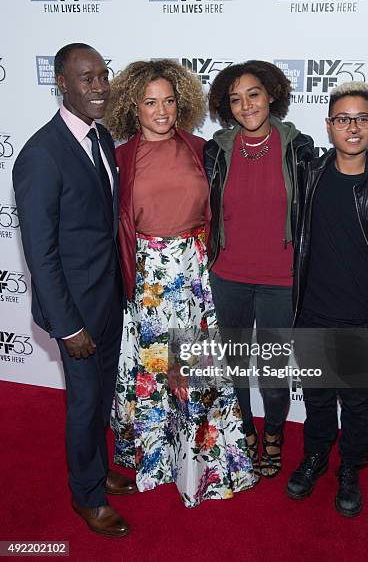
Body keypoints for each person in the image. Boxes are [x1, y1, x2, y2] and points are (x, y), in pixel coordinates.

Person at [103, 59, 256, 507]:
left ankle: (203, 461)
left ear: (181, 102)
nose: (162, 110)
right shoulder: (120, 158)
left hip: (195, 275)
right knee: (155, 372)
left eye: (169, 100)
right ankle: (158, 459)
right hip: (149, 278)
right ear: (134, 107)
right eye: (151, 102)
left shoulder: (200, 148)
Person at [12, 43, 136, 538]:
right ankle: (86, 496)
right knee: (84, 403)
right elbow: (40, 255)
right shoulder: (41, 154)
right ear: (62, 84)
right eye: (87, 79)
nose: (100, 86)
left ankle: (97, 468)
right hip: (77, 314)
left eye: (104, 75)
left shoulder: (102, 138)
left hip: (107, 298)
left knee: (101, 396)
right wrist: (67, 326)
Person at [286, 81, 368, 516]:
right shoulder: (308, 179)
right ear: (329, 126)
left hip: (365, 322)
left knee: (359, 405)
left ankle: (350, 469)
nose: (353, 127)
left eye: (362, 118)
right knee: (318, 397)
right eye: (343, 119)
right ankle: (317, 455)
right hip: (311, 316)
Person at [204, 60, 315, 479]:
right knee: (233, 365)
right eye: (235, 98)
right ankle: (244, 431)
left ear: (271, 95)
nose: (246, 105)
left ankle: (273, 435)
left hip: (279, 280)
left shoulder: (299, 148)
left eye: (253, 94)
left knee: (271, 369)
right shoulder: (216, 149)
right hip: (227, 275)